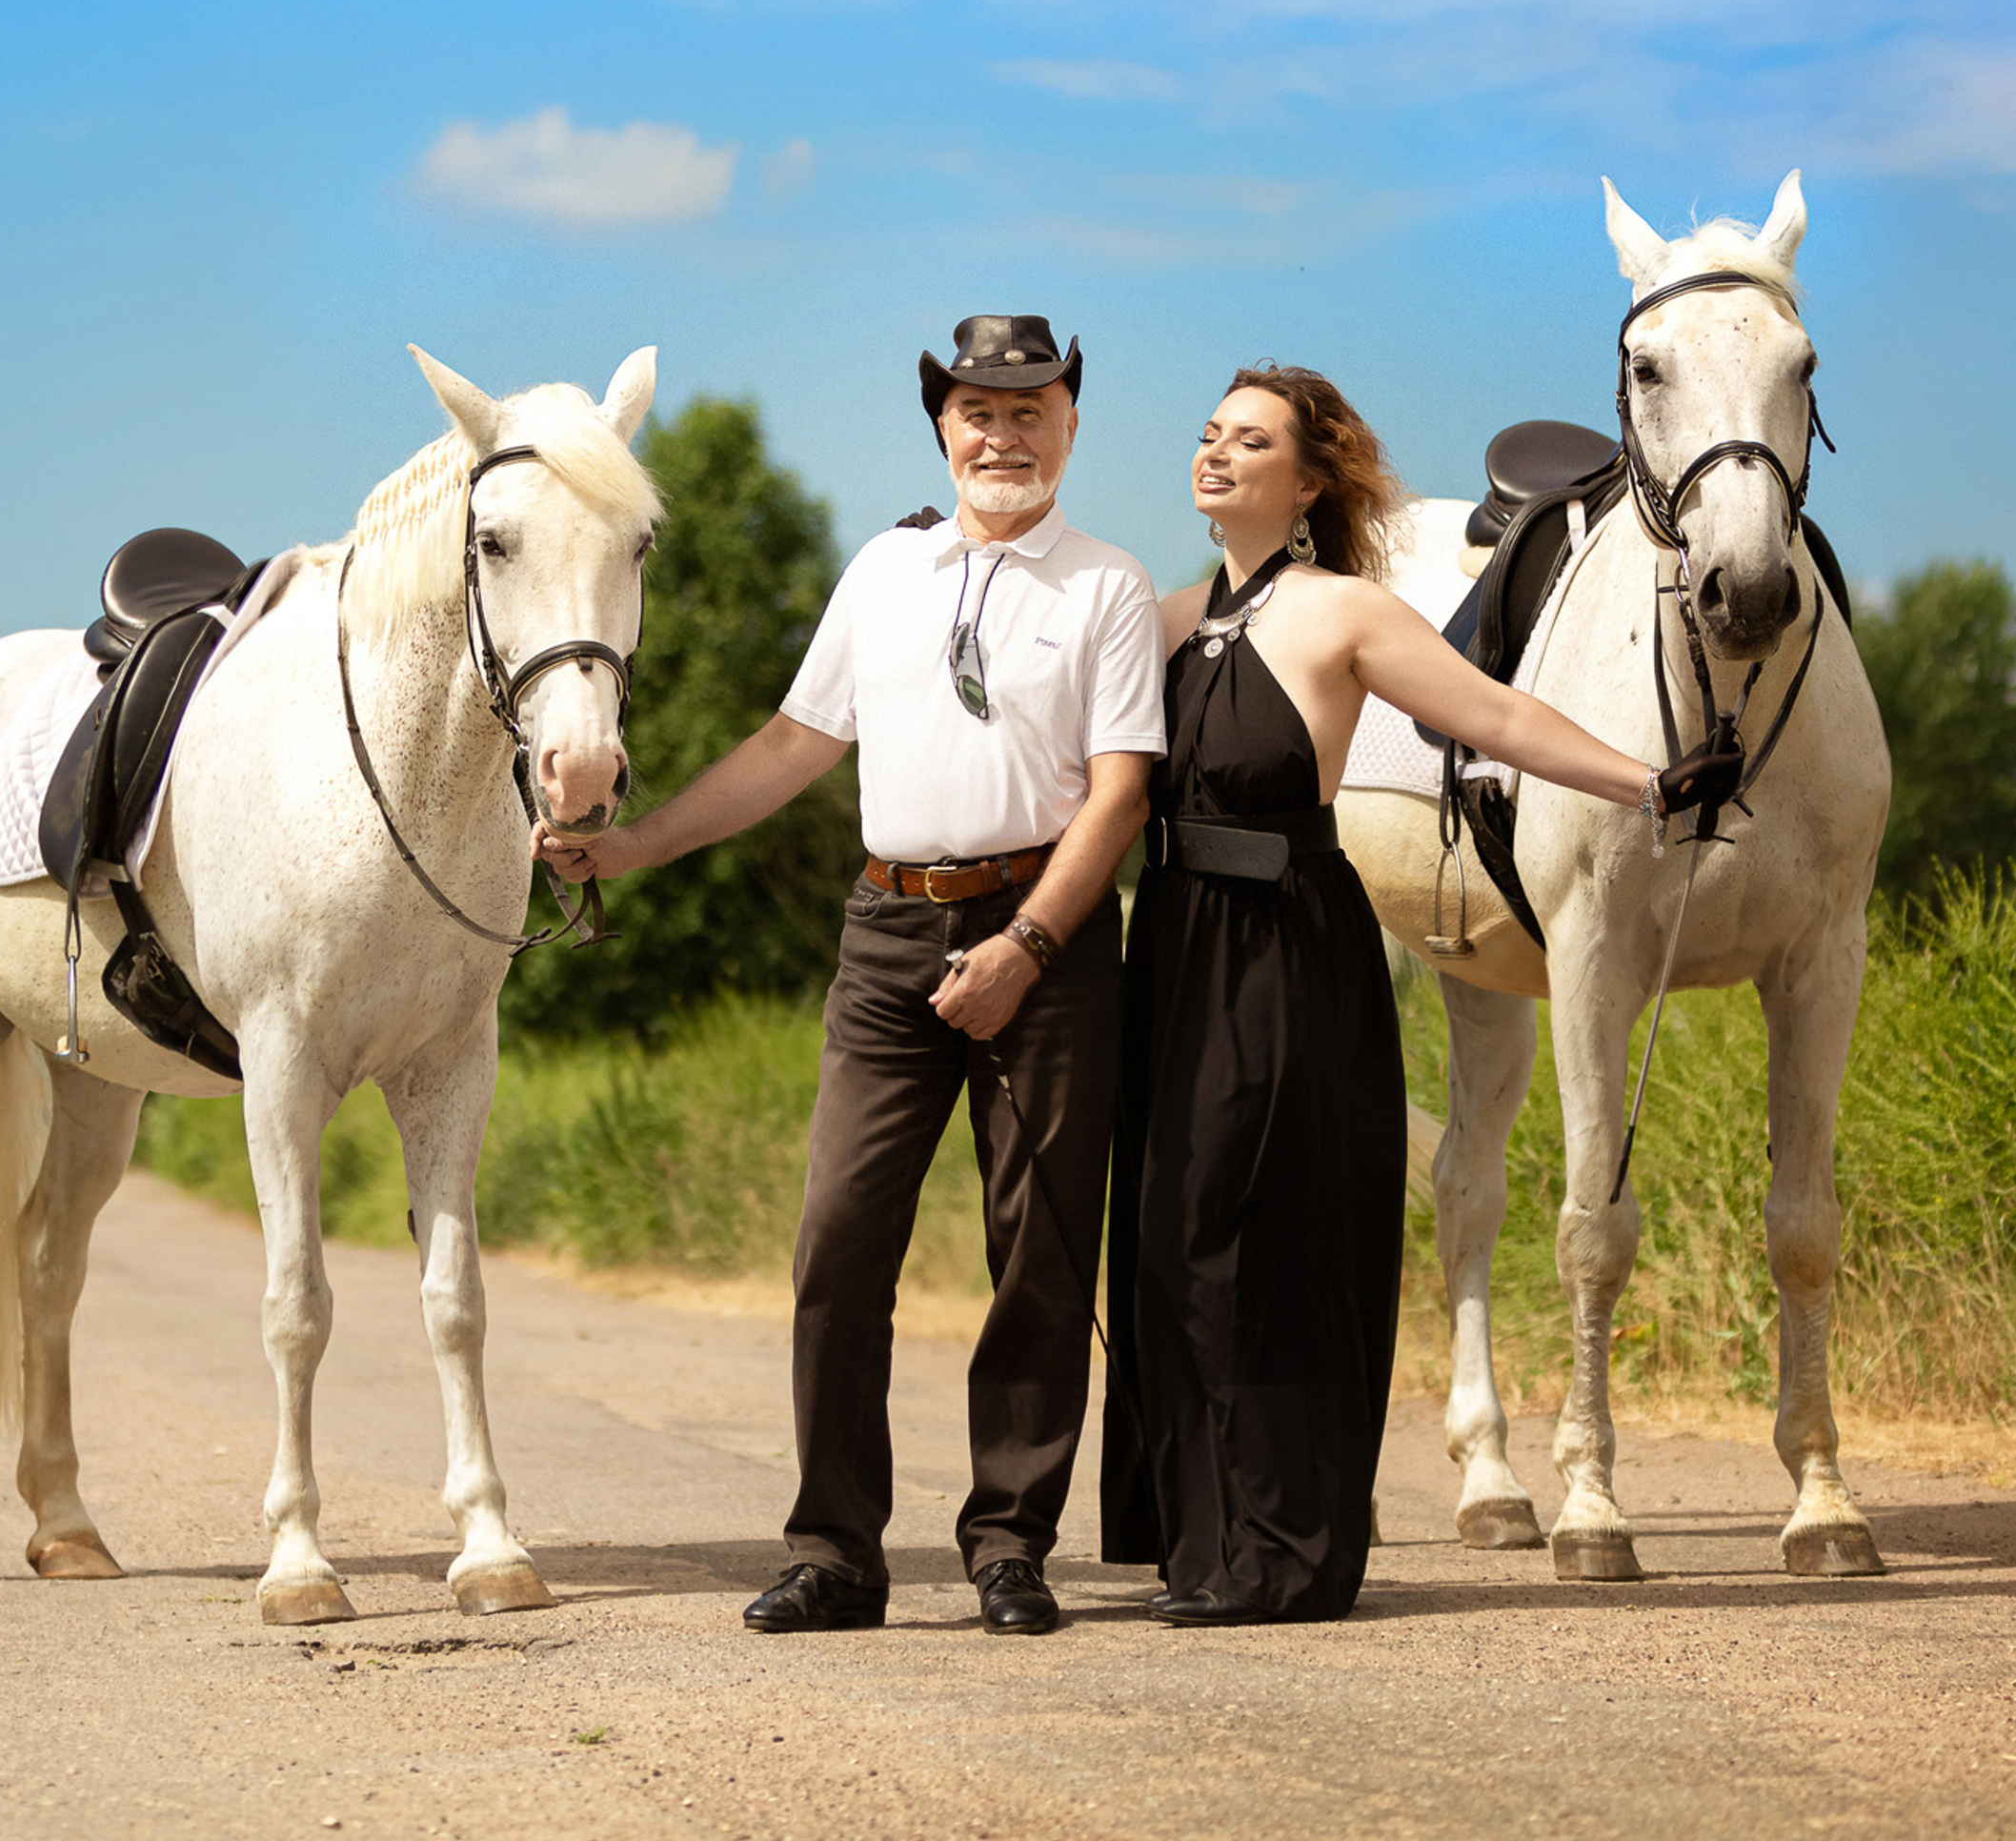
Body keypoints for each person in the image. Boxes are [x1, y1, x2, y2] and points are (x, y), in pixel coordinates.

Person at [536, 315, 1161, 1638]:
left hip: (1041, 936)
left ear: (1068, 423)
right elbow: (788, 744)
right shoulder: (881, 569)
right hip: (886, 934)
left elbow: (1118, 801)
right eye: (980, 411)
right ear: (943, 425)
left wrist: (1026, 947)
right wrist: (630, 847)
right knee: (836, 1247)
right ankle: (836, 1553)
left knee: (1039, 1256)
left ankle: (1010, 1545)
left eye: (1031, 408)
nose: (1005, 432)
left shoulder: (1107, 584)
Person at [1099, 363, 1738, 1626]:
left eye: (1251, 440)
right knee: (1172, 1240)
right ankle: (1204, 1541)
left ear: (1309, 480)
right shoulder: (1159, 620)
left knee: (1273, 1238)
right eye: (1208, 435)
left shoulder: (1348, 612)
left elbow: (1497, 717)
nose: (1216, 455)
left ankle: (1289, 1551)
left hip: (1289, 944)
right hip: (1169, 945)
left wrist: (1649, 782)